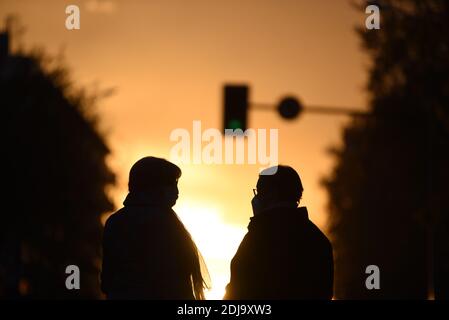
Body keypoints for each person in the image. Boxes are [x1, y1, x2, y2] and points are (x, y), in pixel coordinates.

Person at [101, 157, 209, 299]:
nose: (176, 191)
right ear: (153, 185)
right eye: (171, 184)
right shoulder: (166, 224)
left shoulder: (115, 221)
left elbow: (107, 281)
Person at [224, 165, 334, 299]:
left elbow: (239, 289)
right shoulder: (319, 240)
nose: (256, 198)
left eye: (259, 192)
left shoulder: (258, 238)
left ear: (271, 194)